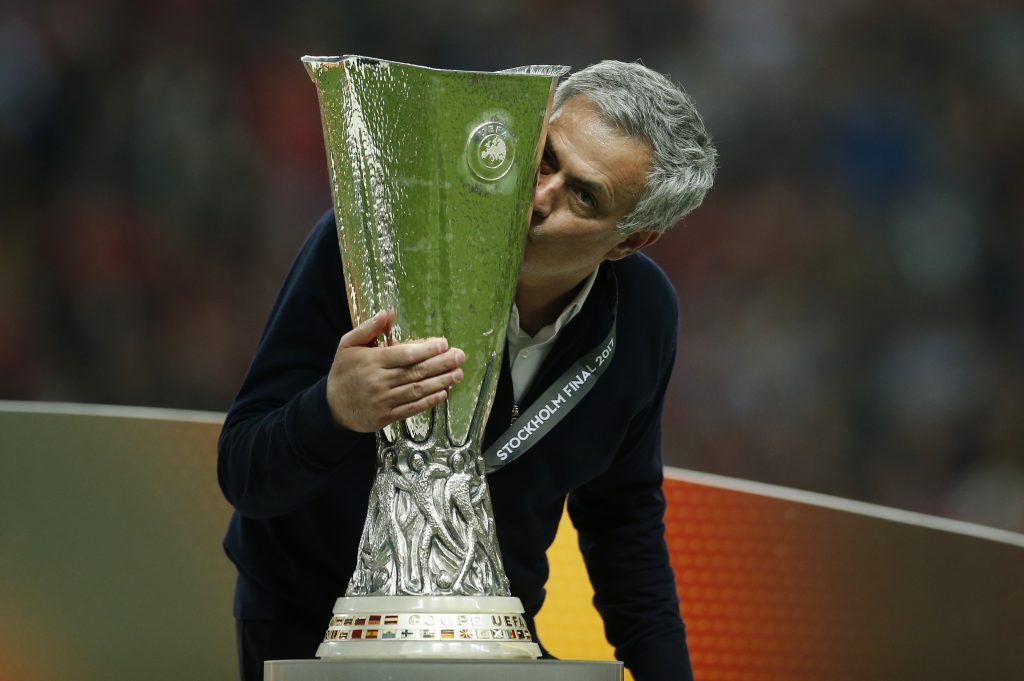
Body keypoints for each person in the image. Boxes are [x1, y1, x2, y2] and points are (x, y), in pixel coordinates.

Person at [218, 59, 716, 681]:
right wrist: (332, 411)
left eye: (583, 196)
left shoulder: (642, 314)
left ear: (628, 242)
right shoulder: (380, 240)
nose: (537, 198)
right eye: (544, 160)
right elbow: (243, 472)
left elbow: (624, 524)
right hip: (311, 630)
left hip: (493, 639)